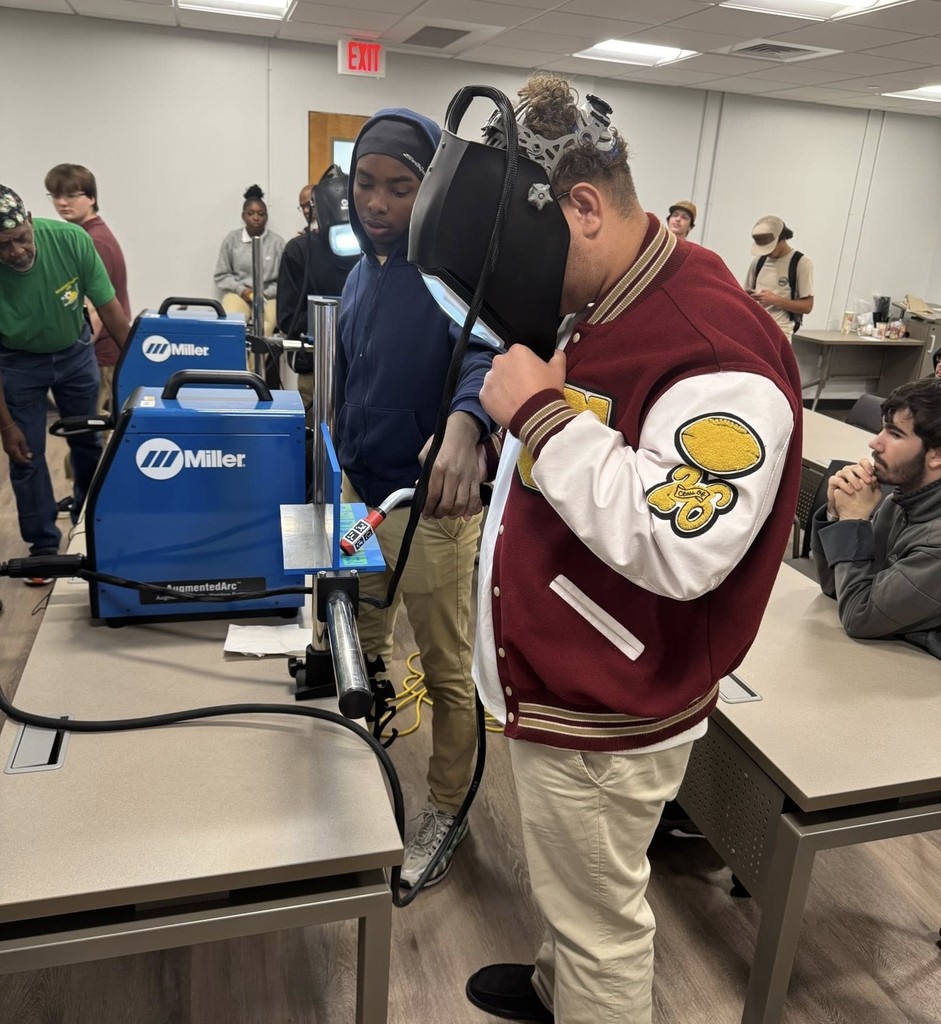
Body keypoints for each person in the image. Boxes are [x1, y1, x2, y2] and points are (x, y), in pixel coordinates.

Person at [454, 76, 803, 1024]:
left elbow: (679, 546)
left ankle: (582, 988)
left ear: (584, 207)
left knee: (600, 918)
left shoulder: (714, 347)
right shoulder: (611, 296)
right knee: (572, 886)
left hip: (612, 697)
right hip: (573, 665)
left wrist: (537, 413)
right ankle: (551, 984)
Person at [335, 108, 493, 889]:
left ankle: (447, 805)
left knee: (444, 663)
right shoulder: (362, 270)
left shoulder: (451, 277)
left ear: (429, 191)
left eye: (399, 188)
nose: (377, 202)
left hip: (429, 510)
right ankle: (363, 762)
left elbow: (486, 367)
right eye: (366, 184)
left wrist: (464, 426)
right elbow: (351, 382)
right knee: (358, 632)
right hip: (361, 494)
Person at [0, 185, 130, 581]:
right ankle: (42, 546)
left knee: (89, 440)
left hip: (74, 354)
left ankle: (89, 525)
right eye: (3, 247)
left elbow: (109, 308)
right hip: (16, 361)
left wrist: (140, 371)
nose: (17, 252)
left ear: (29, 222)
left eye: (21, 238)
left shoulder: (69, 240)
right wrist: (6, 426)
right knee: (26, 455)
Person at [811, 377, 941, 654]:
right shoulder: (897, 501)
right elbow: (837, 589)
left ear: (937, 456)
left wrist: (853, 521)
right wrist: (837, 514)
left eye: (894, 434)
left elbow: (859, 616)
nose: (874, 443)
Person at [44, 164, 130, 424]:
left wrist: (72, 357)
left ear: (91, 198)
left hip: (101, 354)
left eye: (71, 195)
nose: (61, 202)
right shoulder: (83, 235)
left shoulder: (94, 241)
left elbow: (95, 309)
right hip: (98, 353)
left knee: (94, 434)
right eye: (55, 195)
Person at [276, 168, 357, 425]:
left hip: (363, 374)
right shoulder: (298, 252)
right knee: (314, 446)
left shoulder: (370, 253)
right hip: (316, 370)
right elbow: (287, 319)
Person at [213, 184, 284, 337]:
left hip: (269, 296)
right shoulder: (232, 240)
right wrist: (242, 290)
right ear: (243, 215)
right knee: (230, 323)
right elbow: (222, 275)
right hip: (239, 294)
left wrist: (263, 293)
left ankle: (256, 362)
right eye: (250, 213)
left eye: (261, 213)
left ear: (266, 216)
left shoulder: (277, 243)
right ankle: (237, 362)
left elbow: (284, 281)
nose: (256, 218)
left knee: (265, 329)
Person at [744, 215, 814, 339]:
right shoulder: (759, 261)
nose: (766, 252)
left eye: (769, 247)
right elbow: (746, 293)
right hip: (754, 328)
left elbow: (807, 306)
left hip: (780, 332)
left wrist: (775, 300)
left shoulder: (800, 263)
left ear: (782, 239)